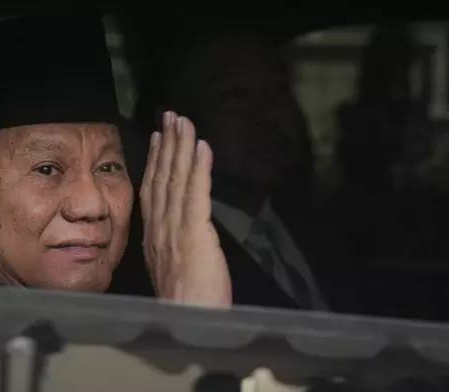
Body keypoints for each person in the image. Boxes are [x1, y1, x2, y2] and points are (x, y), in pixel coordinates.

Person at [0, 15, 232, 306]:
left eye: (108, 167)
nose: (92, 206)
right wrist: (195, 323)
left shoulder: (117, 313)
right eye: (47, 169)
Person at [143, 31, 355, 312]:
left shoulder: (316, 228)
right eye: (234, 97)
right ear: (174, 124)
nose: (267, 115)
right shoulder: (161, 256)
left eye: (279, 91)